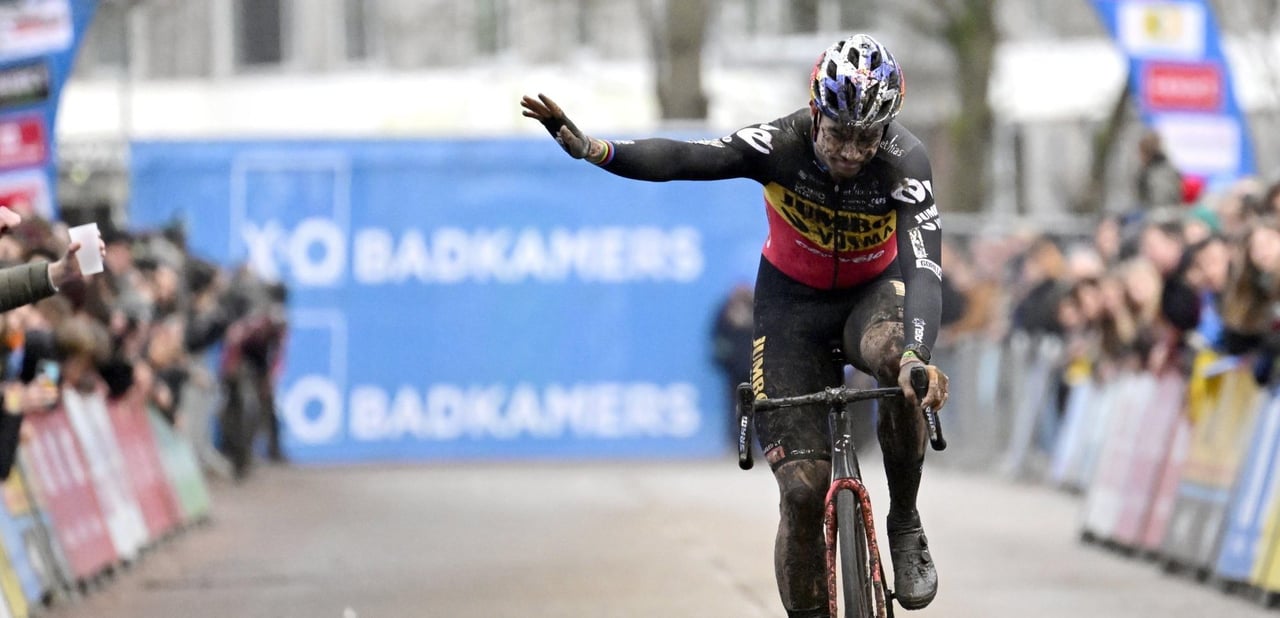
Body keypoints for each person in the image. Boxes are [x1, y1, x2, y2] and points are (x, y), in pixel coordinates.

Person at [522, 33, 950, 615]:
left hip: (871, 296)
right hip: (791, 307)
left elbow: (924, 270)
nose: (852, 151)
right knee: (802, 493)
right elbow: (686, 159)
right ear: (815, 112)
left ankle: (904, 521)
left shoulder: (905, 160)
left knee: (903, 363)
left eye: (866, 137)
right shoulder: (778, 143)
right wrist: (597, 150)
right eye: (839, 133)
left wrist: (919, 354)